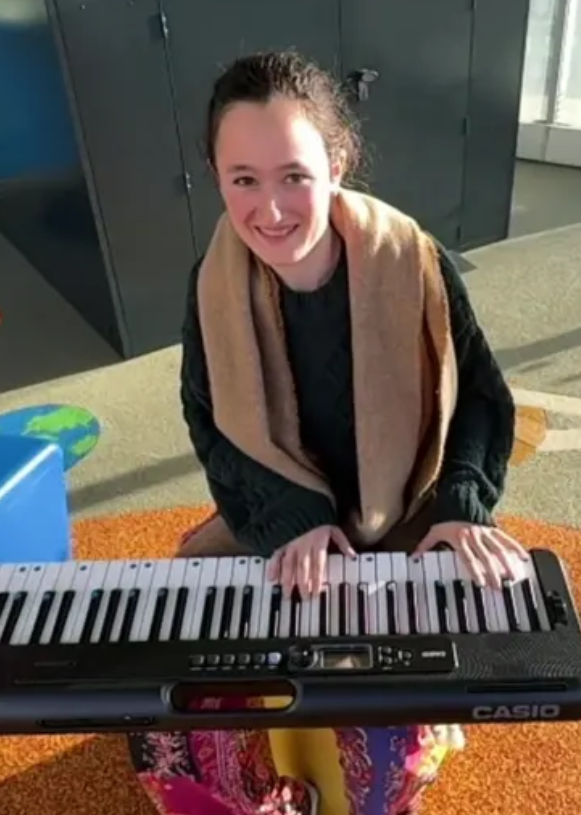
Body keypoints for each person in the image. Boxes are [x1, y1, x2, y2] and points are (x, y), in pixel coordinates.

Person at [128, 49, 527, 815]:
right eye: (243, 179)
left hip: (407, 511)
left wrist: (460, 505)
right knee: (170, 725)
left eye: (293, 176)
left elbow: (478, 398)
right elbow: (210, 423)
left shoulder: (414, 261)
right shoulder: (211, 285)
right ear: (214, 175)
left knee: (382, 746)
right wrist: (293, 522)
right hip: (277, 510)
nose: (270, 210)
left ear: (336, 162)